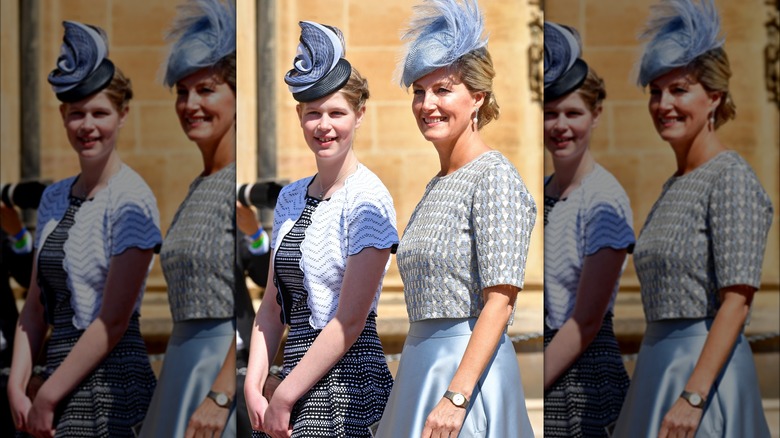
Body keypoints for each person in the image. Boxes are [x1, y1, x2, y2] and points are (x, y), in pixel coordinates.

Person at [376, 0, 537, 436]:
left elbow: (500, 301)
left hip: (466, 384)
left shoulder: (494, 176)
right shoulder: (437, 184)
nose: (427, 104)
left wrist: (457, 396)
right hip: (418, 371)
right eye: (419, 91)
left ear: (477, 99)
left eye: (443, 89)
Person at [613, 0, 773, 436]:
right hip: (656, 369)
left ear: (714, 98)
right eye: (655, 92)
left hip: (703, 382)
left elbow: (737, 300)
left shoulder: (731, 177)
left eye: (680, 90)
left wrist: (693, 396)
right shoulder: (675, 183)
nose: (664, 104)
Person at [7, 21, 161, 437]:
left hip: (112, 389)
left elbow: (111, 322)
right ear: (63, 116)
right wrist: (16, 386)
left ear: (123, 114)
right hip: (52, 384)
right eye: (77, 114)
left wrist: (45, 396)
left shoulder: (132, 198)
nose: (87, 125)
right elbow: (34, 312)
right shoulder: (54, 197)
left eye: (99, 113)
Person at [244, 20, 398, 438]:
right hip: (289, 383)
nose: (323, 125)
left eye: (336, 112)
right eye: (313, 113)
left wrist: (283, 396)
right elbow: (272, 309)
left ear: (360, 114)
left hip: (347, 387)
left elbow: (347, 323)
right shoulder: (290, 197)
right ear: (299, 116)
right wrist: (254, 385)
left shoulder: (369, 199)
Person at [138, 0, 237, 437]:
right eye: (182, 91)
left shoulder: (247, 187)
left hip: (219, 384)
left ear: (237, 95)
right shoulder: (198, 186)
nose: (190, 104)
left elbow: (275, 302)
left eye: (206, 89)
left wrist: (221, 394)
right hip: (180, 369)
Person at [542, 22, 634, 437]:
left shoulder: (604, 198)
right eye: (550, 113)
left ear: (596, 115)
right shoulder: (543, 190)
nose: (560, 126)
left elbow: (586, 321)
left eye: (573, 113)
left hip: (587, 381)